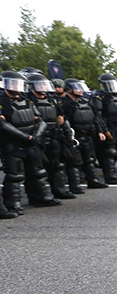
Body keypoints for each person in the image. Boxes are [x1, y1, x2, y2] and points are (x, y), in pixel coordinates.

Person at [0, 70, 61, 214]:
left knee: (38, 172)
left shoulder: (27, 100)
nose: (15, 87)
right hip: (13, 144)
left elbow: (40, 120)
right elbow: (3, 125)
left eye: (18, 84)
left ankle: (41, 197)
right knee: (15, 176)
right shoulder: (2, 102)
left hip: (32, 142)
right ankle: (12, 203)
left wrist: (36, 136)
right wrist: (26, 137)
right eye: (12, 83)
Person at [26, 72, 76, 199]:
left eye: (44, 85)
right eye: (39, 85)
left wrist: (64, 131)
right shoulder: (28, 100)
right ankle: (37, 196)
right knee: (36, 169)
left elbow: (60, 117)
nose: (42, 87)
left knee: (57, 165)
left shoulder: (51, 99)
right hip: (37, 138)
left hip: (54, 136)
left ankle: (59, 190)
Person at [61, 79, 109, 189]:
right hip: (74, 137)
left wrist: (99, 131)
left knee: (89, 159)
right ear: (68, 89)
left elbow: (95, 118)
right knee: (74, 162)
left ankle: (93, 180)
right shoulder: (64, 104)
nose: (80, 90)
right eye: (77, 88)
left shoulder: (85, 102)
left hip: (88, 135)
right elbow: (63, 121)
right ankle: (75, 185)